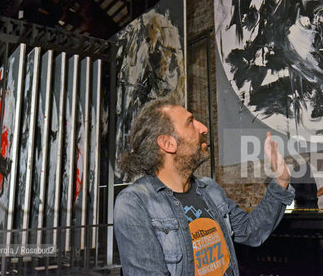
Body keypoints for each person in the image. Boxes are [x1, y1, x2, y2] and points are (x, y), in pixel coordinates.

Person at [114, 98, 294, 275]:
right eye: (190, 122)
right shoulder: (135, 203)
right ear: (168, 144)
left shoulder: (210, 189)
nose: (203, 128)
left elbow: (251, 231)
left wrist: (281, 180)